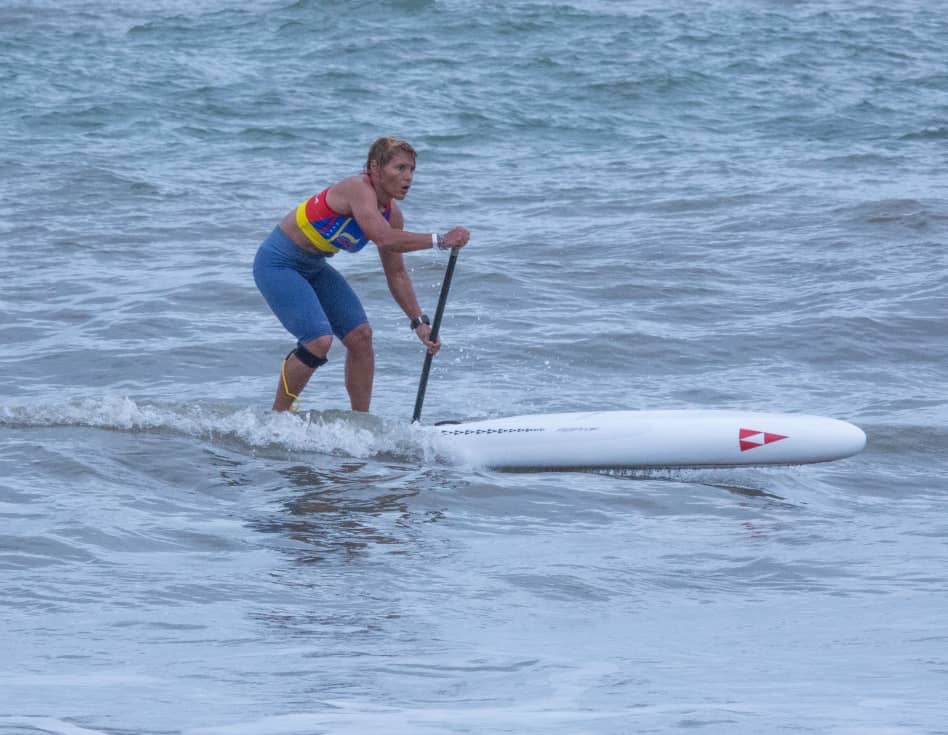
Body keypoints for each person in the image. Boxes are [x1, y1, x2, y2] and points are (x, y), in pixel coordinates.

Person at [253, 136, 470, 413]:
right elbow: (384, 239)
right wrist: (440, 240)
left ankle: (360, 422)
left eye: (412, 170)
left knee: (361, 336)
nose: (408, 177)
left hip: (314, 267)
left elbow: (397, 274)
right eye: (400, 168)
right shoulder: (357, 188)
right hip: (278, 264)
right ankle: (277, 419)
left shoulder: (392, 216)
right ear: (375, 168)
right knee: (318, 340)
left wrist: (419, 323)